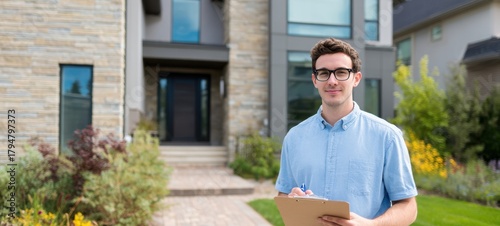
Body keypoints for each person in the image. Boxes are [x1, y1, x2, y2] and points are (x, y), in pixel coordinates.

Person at [275, 38, 418, 226]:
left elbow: (408, 206)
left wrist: (372, 225)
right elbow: (284, 194)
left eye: (341, 72)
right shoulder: (294, 137)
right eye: (324, 73)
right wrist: (293, 201)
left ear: (356, 79)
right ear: (314, 80)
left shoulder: (387, 136)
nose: (332, 81)